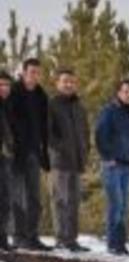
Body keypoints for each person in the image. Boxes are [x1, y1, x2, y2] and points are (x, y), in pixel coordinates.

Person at [7, 58, 51, 251]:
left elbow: (44, 126)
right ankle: (18, 236)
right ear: (24, 73)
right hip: (16, 153)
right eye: (31, 72)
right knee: (18, 197)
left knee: (34, 196)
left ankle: (32, 236)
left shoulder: (41, 95)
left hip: (34, 152)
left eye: (38, 72)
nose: (35, 75)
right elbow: (8, 121)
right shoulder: (14, 92)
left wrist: (44, 152)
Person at [95, 79, 129, 255]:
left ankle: (121, 244)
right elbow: (100, 135)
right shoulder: (109, 111)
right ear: (119, 93)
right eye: (126, 91)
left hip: (128, 165)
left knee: (125, 206)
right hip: (112, 165)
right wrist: (108, 157)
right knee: (116, 205)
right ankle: (112, 244)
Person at [47, 68, 90, 252]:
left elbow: (85, 133)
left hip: (76, 162)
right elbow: (47, 133)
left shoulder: (79, 107)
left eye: (71, 81)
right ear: (58, 83)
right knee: (60, 201)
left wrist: (85, 151)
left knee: (73, 202)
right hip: (59, 162)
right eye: (65, 81)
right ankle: (61, 239)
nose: (68, 84)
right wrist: (60, 149)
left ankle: (72, 240)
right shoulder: (51, 105)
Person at [0, 70, 13, 251]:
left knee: (5, 198)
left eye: (7, 85)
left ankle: (2, 238)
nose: (4, 88)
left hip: (3, 158)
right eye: (1, 85)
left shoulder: (4, 106)